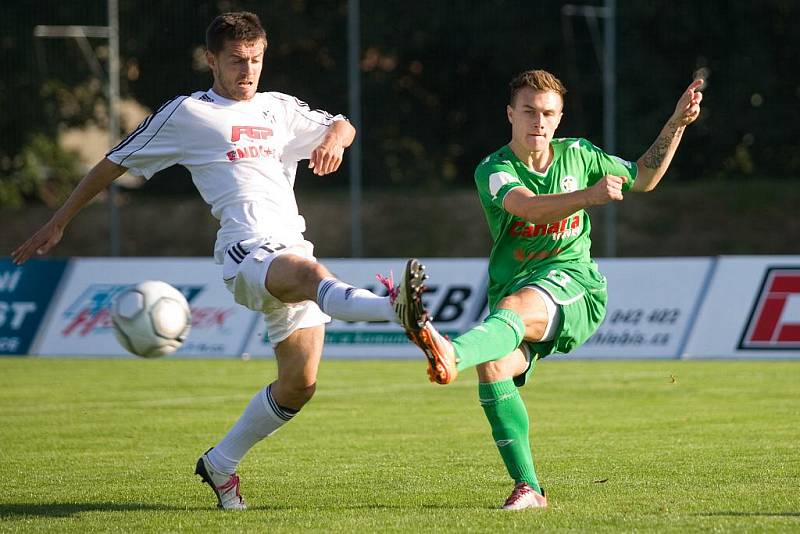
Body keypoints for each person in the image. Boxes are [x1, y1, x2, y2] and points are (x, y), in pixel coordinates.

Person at [11, 11, 413, 510]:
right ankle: (395, 308)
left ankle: (220, 464)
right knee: (313, 276)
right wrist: (60, 221)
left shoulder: (278, 108)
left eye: (257, 60)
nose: (249, 71)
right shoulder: (187, 114)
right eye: (238, 61)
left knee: (299, 386)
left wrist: (334, 136)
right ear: (211, 60)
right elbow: (112, 162)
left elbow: (341, 125)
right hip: (245, 252)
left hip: (290, 245)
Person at [397, 69, 703, 510]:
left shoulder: (579, 154)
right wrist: (589, 197)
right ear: (510, 115)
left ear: (559, 120)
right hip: (517, 291)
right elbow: (526, 208)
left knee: (511, 312)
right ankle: (529, 489)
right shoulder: (494, 168)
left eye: (547, 114)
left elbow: (644, 177)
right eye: (528, 111)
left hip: (575, 284)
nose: (538, 121)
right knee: (495, 366)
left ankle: (452, 353)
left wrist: (676, 124)